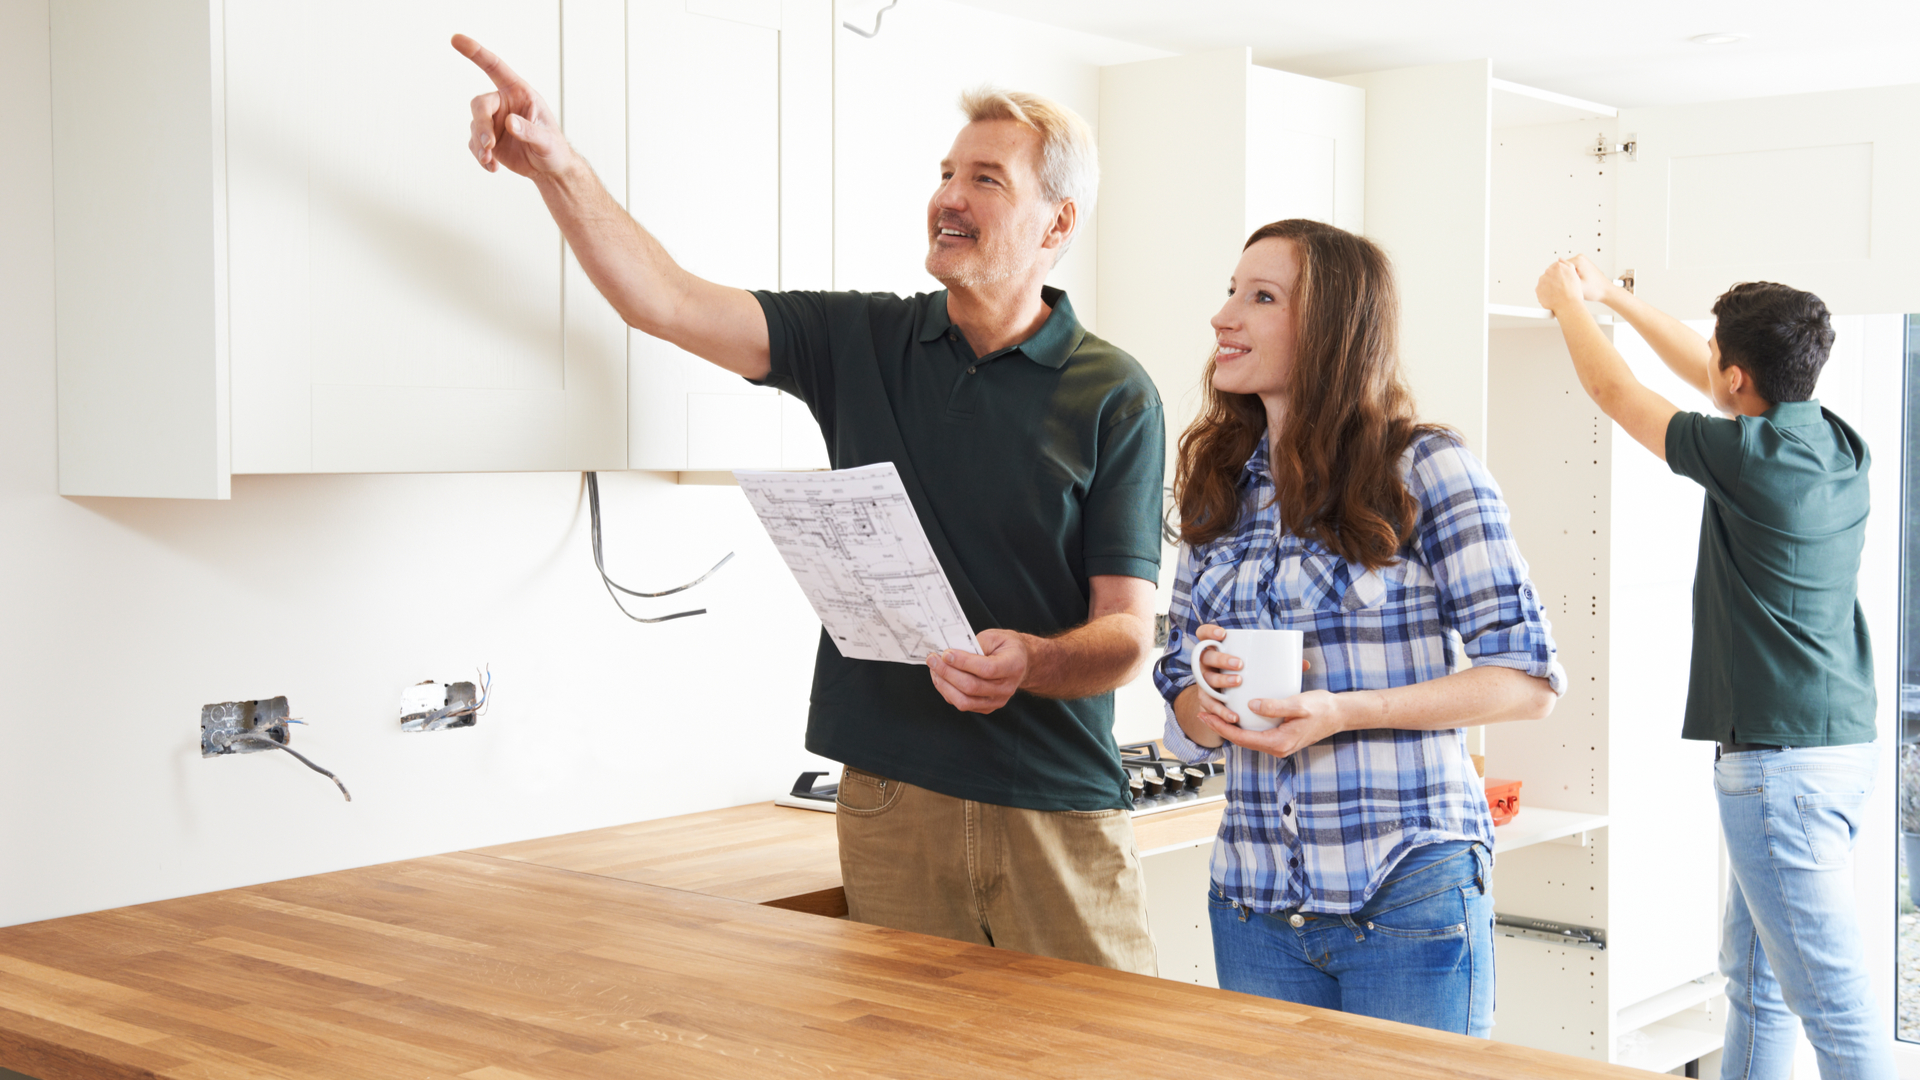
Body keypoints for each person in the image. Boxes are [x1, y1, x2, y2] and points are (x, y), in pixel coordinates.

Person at [454, 37, 1164, 973]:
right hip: (888, 794)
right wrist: (556, 164)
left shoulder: (1114, 391)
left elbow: (1126, 634)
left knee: (1107, 1058)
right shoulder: (858, 339)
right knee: (898, 1053)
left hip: (1052, 801)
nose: (949, 196)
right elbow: (661, 300)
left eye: (986, 179)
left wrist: (1031, 660)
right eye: (946, 172)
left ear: (1056, 222)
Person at [1154, 219, 1563, 1036]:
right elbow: (1179, 694)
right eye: (1232, 291)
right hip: (1253, 903)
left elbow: (1527, 681)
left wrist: (1343, 712)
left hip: (1408, 893)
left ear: (1334, 329)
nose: (1222, 317)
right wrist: (1206, 693)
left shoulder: (1426, 469)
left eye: (1260, 297)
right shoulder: (1220, 488)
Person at [1536, 255, 1890, 1080]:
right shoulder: (1837, 443)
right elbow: (1707, 370)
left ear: (1737, 377)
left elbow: (1616, 395)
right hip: (1834, 749)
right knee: (1759, 985)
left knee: (1831, 1004)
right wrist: (1615, 297)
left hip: (1780, 771)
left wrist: (1565, 304)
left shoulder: (1748, 458)